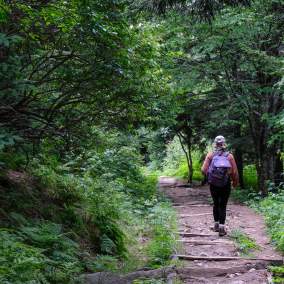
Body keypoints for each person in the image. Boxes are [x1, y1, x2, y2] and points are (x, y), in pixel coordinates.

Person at [201, 135, 239, 236]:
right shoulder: (229, 156)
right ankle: (222, 228)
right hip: (225, 184)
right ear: (224, 144)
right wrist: (235, 183)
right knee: (223, 205)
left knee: (216, 203)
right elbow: (234, 172)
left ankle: (216, 225)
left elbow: (203, 170)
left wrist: (210, 177)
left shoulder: (210, 155)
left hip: (213, 184)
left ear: (215, 144)